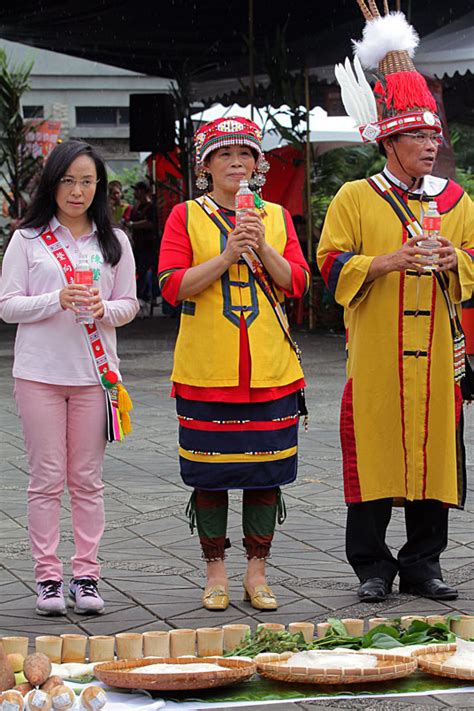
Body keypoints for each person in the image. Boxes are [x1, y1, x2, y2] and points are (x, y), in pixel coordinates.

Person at [317, 3, 474, 603]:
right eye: (418, 135)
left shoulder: (457, 201)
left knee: (437, 456)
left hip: (438, 355)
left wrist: (455, 261)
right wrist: (385, 262)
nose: (431, 144)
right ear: (390, 140)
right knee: (374, 455)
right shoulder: (356, 198)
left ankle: (425, 563)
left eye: (435, 134)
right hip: (377, 353)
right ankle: (372, 567)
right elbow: (329, 265)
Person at [158, 117, 310, 611]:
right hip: (207, 368)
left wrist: (260, 243)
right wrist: (226, 256)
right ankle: (216, 571)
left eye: (246, 154)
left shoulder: (278, 217)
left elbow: (298, 284)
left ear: (259, 166)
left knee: (264, 472)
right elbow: (170, 286)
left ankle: (257, 573)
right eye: (224, 155)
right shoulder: (185, 216)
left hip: (270, 368)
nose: (237, 163)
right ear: (205, 165)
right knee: (210, 473)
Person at [0, 140, 139, 616]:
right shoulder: (28, 239)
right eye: (68, 180)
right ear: (53, 182)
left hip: (93, 377)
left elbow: (130, 304)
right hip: (38, 374)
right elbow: (7, 305)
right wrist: (54, 299)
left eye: (86, 181)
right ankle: (47, 580)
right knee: (45, 479)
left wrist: (105, 309)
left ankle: (86, 575)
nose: (76, 191)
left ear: (99, 186)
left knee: (87, 480)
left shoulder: (114, 241)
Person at [126, 180, 156, 311]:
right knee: (136, 271)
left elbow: (151, 223)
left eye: (137, 190)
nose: (135, 193)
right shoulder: (136, 207)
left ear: (144, 191)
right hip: (136, 245)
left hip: (148, 246)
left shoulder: (151, 207)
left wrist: (134, 225)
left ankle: (146, 297)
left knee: (145, 271)